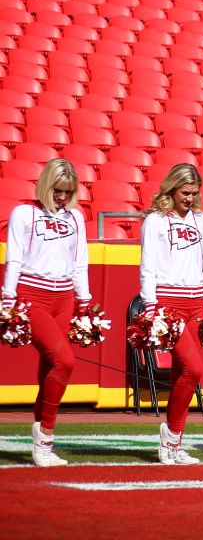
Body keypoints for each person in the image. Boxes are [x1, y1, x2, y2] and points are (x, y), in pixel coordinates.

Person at [2, 159, 90, 467]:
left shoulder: (76, 218)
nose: (62, 197)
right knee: (65, 361)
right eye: (57, 190)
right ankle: (45, 438)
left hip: (64, 298)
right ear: (45, 185)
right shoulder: (24, 213)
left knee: (49, 369)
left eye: (68, 191)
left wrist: (85, 301)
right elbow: (14, 258)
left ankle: (41, 443)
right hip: (32, 296)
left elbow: (80, 262)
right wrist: (7, 299)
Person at [139, 163, 203, 465]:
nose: (190, 199)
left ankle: (174, 443)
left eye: (194, 193)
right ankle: (170, 434)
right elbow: (148, 266)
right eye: (185, 193)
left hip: (196, 301)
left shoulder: (201, 219)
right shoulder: (156, 221)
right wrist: (151, 307)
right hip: (168, 302)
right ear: (172, 188)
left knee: (183, 373)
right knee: (194, 369)